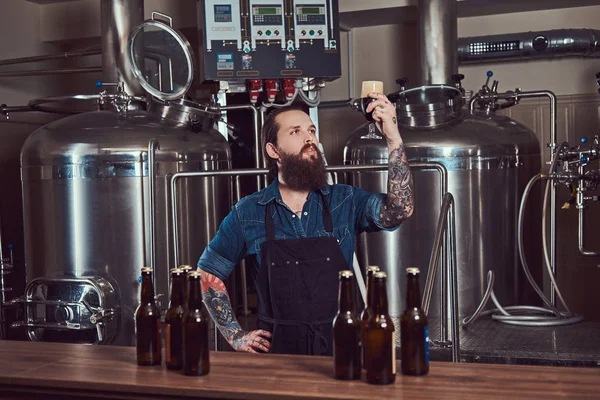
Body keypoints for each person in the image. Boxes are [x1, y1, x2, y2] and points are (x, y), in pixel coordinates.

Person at [198, 92, 414, 356]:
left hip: (341, 347)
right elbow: (209, 272)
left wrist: (393, 138)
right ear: (273, 150)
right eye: (296, 132)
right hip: (278, 353)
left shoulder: (343, 200)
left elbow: (399, 210)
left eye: (311, 130)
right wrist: (235, 335)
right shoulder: (248, 212)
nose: (309, 137)